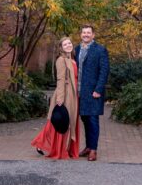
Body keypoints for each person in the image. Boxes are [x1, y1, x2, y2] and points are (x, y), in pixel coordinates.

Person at [31, 37, 81, 159]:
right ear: (61, 48)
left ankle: (59, 146)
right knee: (60, 121)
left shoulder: (72, 59)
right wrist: (60, 98)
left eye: (69, 43)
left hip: (73, 95)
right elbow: (60, 80)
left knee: (65, 122)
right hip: (65, 94)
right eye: (65, 44)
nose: (68, 45)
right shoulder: (61, 60)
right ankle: (46, 145)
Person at [76, 24, 109, 161]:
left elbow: (104, 71)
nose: (86, 35)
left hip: (93, 92)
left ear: (93, 35)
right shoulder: (76, 49)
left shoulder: (100, 50)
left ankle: (93, 150)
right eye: (84, 32)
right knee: (85, 119)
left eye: (88, 33)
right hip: (80, 92)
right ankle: (88, 146)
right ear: (81, 34)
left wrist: (98, 89)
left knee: (93, 120)